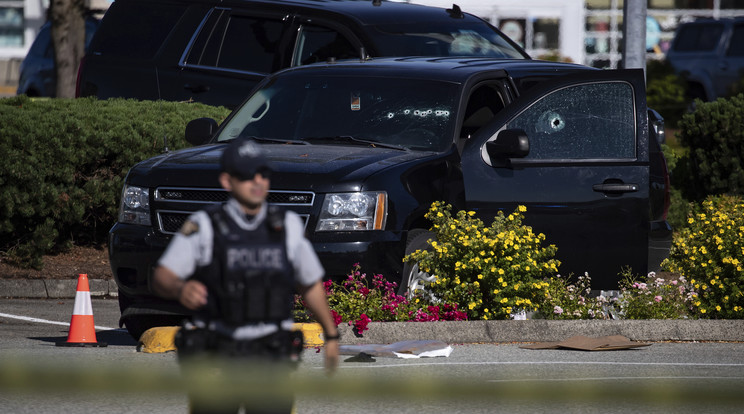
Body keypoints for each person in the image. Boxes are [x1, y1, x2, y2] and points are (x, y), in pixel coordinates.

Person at [153, 137, 339, 413]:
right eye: (246, 175)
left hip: (269, 354)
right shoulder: (205, 226)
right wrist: (180, 288)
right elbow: (162, 276)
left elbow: (309, 284)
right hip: (217, 354)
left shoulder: (286, 225)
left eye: (262, 174)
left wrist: (331, 335)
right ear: (227, 181)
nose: (257, 182)